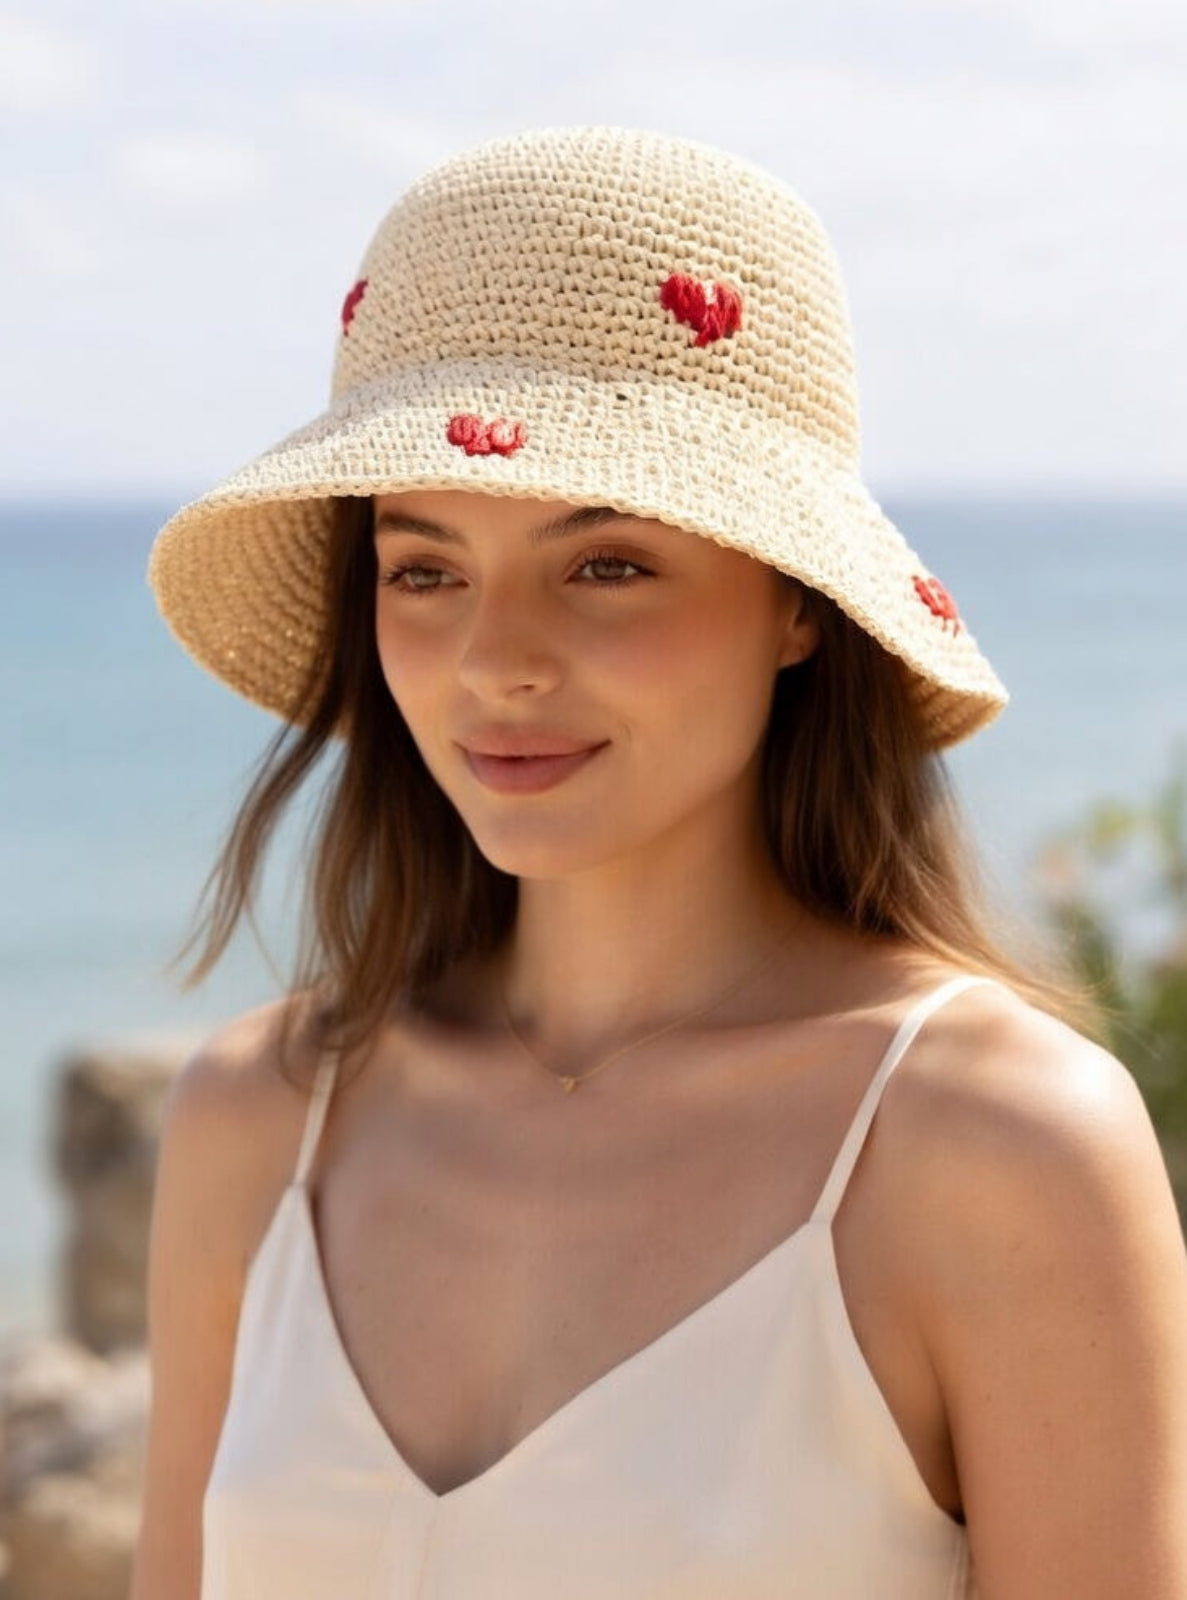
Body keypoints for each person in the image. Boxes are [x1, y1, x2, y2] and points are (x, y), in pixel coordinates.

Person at [131, 126, 1187, 1599]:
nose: (493, 663)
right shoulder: (260, 1123)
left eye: (606, 564)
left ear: (799, 607)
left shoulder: (994, 1151)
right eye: (423, 568)